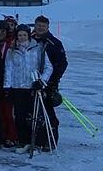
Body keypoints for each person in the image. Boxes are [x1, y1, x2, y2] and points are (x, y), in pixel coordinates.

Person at [5, 24, 53, 154]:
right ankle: (24, 141)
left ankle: (37, 143)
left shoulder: (38, 48)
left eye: (24, 35)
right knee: (19, 117)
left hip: (33, 88)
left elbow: (49, 67)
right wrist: (7, 87)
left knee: (35, 117)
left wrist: (41, 81)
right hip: (17, 87)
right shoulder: (12, 50)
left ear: (28, 35)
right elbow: (8, 69)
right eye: (19, 35)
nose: (21, 37)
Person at [32, 15, 68, 145]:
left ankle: (50, 141)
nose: (40, 28)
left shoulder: (54, 43)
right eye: (38, 25)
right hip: (31, 82)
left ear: (47, 27)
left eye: (43, 26)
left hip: (48, 84)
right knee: (33, 112)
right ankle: (34, 139)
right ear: (35, 25)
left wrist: (52, 82)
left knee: (47, 113)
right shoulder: (29, 40)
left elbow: (62, 64)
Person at [0, 20, 17, 148]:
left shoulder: (11, 44)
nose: (0, 33)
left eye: (2, 31)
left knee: (8, 111)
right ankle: (0, 135)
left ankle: (11, 136)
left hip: (9, 82)